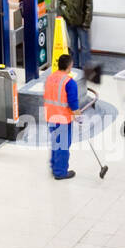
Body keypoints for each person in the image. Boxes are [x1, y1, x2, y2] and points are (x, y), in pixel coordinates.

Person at [43, 52, 80, 180]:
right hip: (62, 118)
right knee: (63, 145)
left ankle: (54, 166)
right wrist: (78, 116)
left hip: (50, 116)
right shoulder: (69, 82)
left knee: (55, 143)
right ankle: (60, 172)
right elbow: (73, 103)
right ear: (70, 66)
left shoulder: (50, 77)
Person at [57, 0, 93, 70]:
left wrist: (87, 22)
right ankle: (75, 66)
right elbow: (60, 2)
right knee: (73, 46)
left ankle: (86, 67)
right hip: (70, 22)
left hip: (82, 24)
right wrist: (64, 14)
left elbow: (89, 6)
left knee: (85, 47)